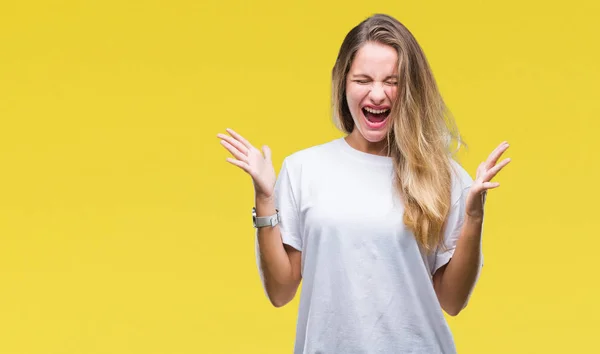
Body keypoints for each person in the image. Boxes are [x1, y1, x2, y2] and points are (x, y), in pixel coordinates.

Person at [217, 13, 510, 354]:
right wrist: (265, 198)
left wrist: (474, 219)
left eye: (392, 81)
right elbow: (280, 291)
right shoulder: (303, 169)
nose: (377, 94)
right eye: (363, 79)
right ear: (344, 84)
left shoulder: (443, 176)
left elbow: (452, 300)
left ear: (411, 88)